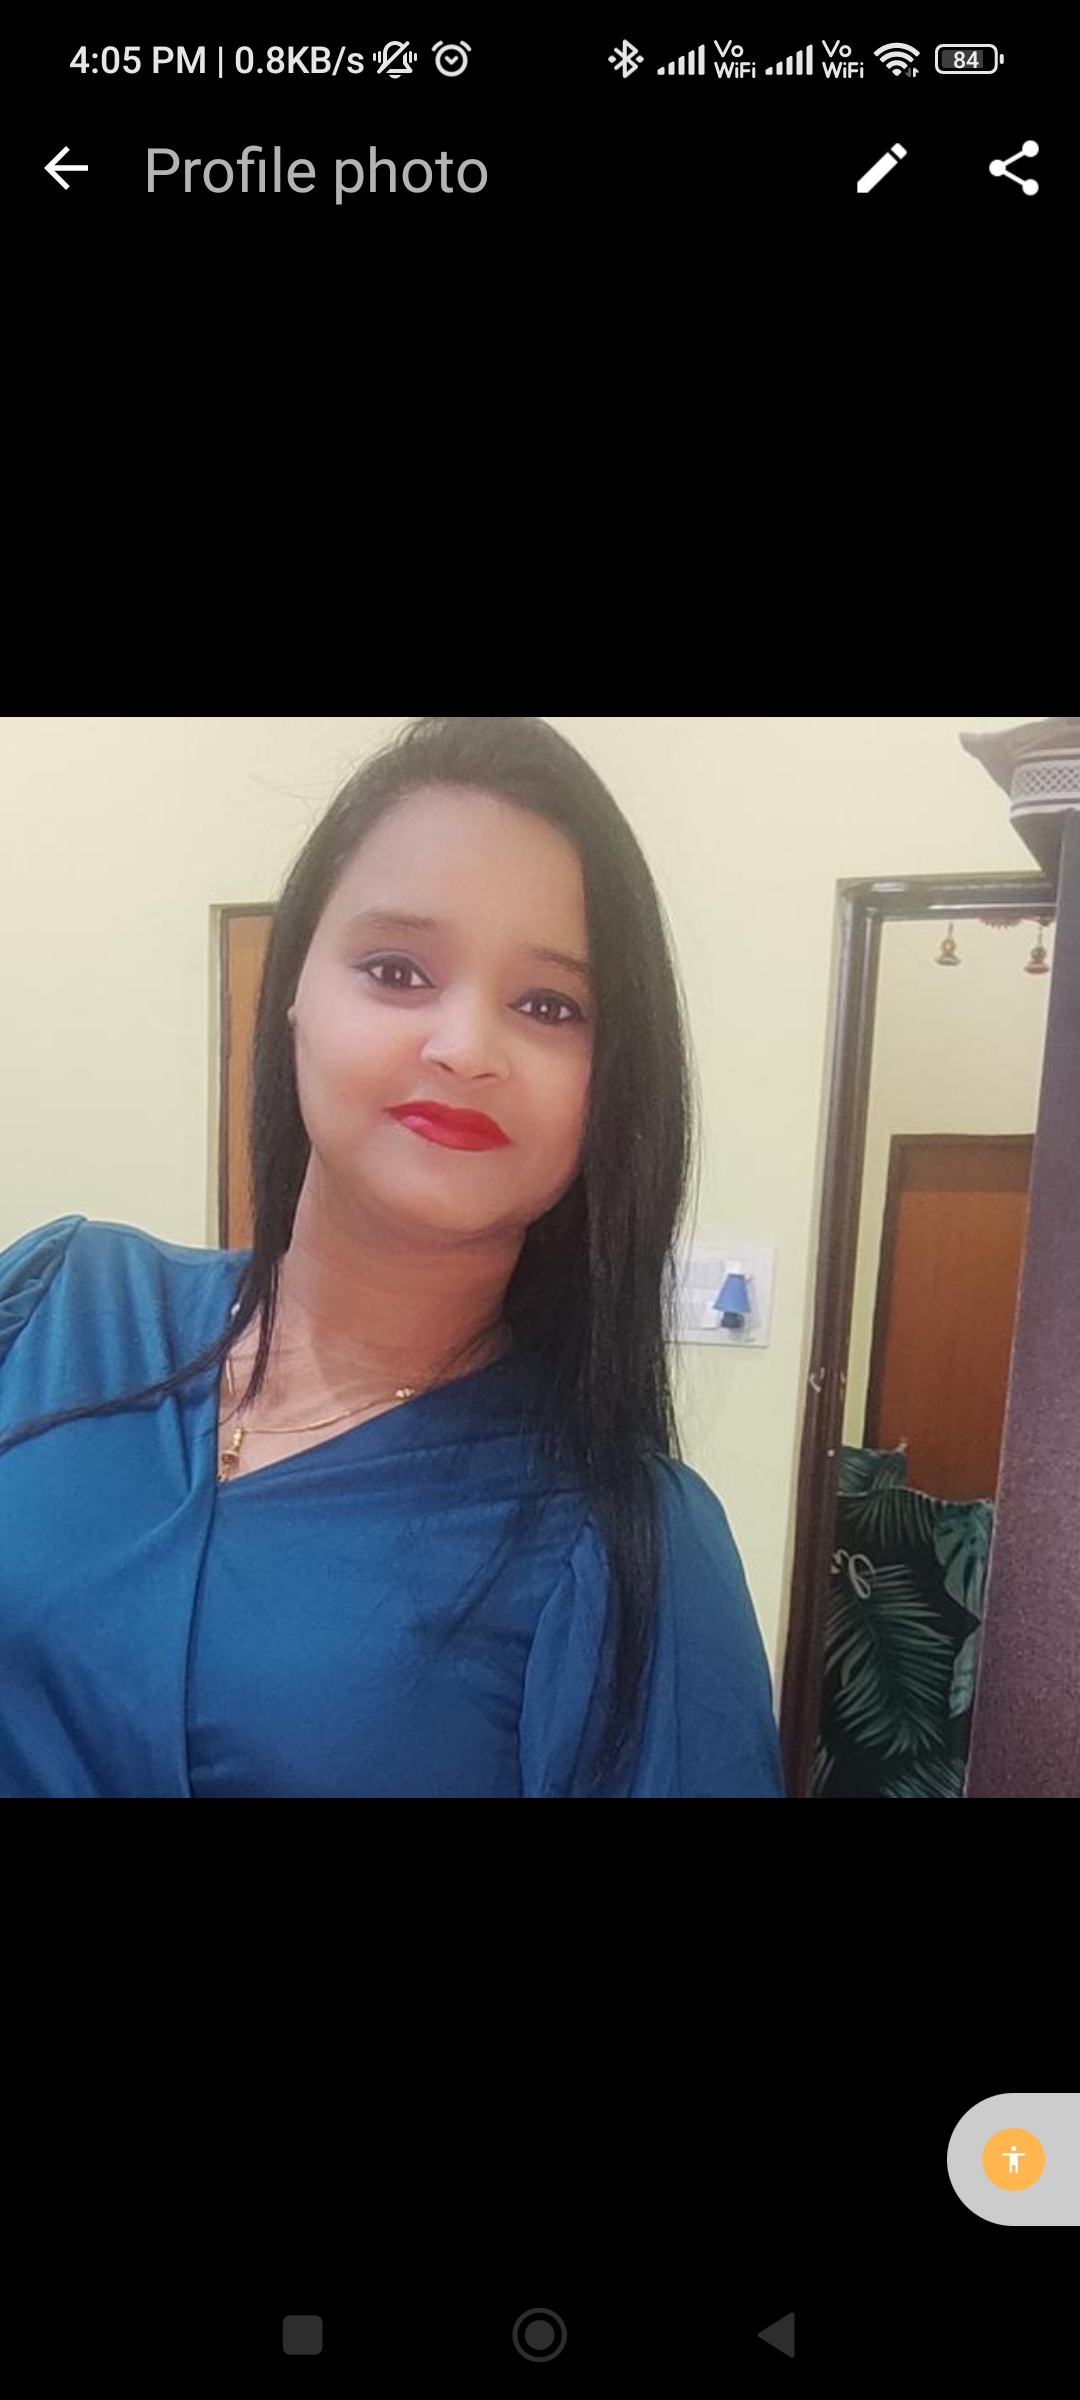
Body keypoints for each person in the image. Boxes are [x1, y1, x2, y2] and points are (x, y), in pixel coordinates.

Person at [0, 715, 786, 1797]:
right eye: (397, 969)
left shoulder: (625, 1544)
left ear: (611, 1084)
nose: (465, 1048)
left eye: (548, 1005)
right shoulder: (61, 1307)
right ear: (294, 991)